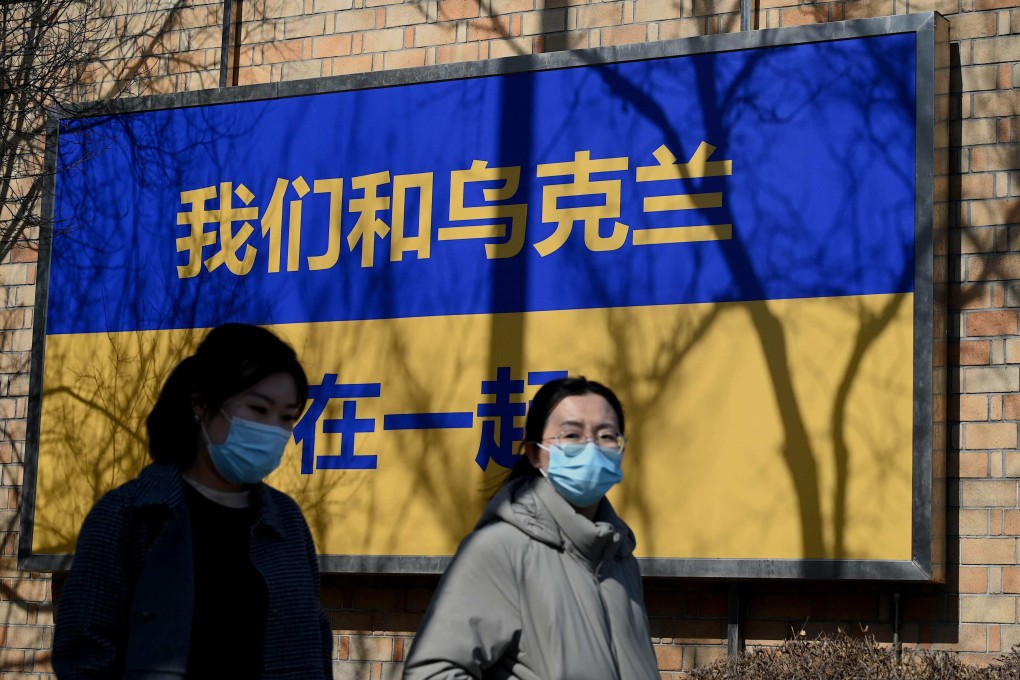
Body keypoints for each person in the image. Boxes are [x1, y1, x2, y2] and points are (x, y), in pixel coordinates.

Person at [52, 323, 333, 679]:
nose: (274, 430)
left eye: (287, 417)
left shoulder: (286, 521)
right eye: (259, 410)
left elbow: (315, 641)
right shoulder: (129, 516)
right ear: (201, 405)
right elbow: (84, 655)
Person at [403, 376, 659, 680]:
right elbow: (431, 673)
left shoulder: (620, 558)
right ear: (535, 453)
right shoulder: (499, 549)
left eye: (606, 436)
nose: (591, 448)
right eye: (572, 435)